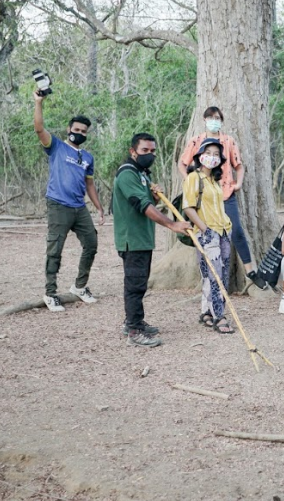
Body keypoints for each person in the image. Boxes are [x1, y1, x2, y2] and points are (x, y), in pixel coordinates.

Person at [112, 133, 190, 347]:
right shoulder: (128, 174)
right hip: (132, 239)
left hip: (143, 239)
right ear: (133, 151)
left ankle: (134, 321)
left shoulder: (141, 174)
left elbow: (148, 201)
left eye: (153, 151)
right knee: (135, 284)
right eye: (145, 151)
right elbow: (143, 206)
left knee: (140, 282)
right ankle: (134, 330)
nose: (150, 155)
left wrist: (155, 196)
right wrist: (172, 225)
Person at [178, 107, 266, 290]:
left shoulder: (228, 141)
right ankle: (210, 279)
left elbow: (239, 166)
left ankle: (250, 271)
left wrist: (238, 184)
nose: (214, 120)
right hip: (204, 198)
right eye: (210, 117)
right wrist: (190, 182)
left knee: (236, 231)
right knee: (207, 234)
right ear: (204, 120)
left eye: (217, 118)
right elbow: (182, 163)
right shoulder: (196, 141)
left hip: (225, 194)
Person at [33, 90, 104, 312]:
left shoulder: (87, 157)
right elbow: (38, 128)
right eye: (76, 130)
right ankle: (50, 293)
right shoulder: (56, 146)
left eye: (83, 131)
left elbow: (89, 184)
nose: (79, 133)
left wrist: (99, 207)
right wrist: (38, 102)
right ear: (68, 130)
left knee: (91, 243)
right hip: (58, 204)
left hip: (79, 207)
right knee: (55, 249)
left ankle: (79, 286)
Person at [182, 138, 235, 334]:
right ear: (200, 155)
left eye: (216, 154)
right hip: (208, 233)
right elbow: (188, 207)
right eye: (209, 153)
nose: (212, 157)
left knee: (214, 274)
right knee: (215, 275)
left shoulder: (214, 180)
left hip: (223, 231)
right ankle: (219, 316)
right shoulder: (194, 178)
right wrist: (204, 228)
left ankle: (206, 312)